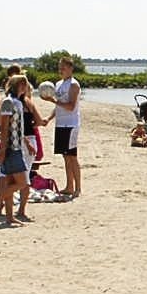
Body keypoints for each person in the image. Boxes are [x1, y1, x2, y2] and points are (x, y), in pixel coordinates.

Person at [0, 74, 35, 225]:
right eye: (25, 85)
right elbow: (4, 126)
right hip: (11, 148)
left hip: (16, 146)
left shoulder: (18, 103)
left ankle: (9, 216)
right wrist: (3, 148)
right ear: (20, 85)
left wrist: (26, 141)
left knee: (10, 182)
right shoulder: (9, 102)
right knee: (22, 182)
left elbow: (17, 127)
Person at [52, 56, 83, 197]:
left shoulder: (73, 85)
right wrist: (48, 118)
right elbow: (58, 106)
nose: (61, 70)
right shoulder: (58, 84)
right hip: (60, 124)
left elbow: (70, 106)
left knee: (72, 156)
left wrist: (52, 100)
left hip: (71, 124)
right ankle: (69, 186)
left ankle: (78, 187)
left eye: (63, 67)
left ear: (70, 68)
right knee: (65, 156)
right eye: (60, 67)